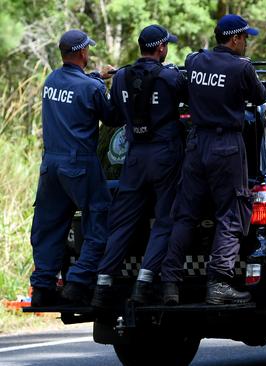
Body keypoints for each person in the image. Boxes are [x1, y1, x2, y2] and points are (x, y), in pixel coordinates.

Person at [161, 14, 266, 305]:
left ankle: (170, 282)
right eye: (245, 38)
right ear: (234, 39)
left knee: (184, 215)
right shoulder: (241, 67)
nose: (246, 43)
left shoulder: (195, 61)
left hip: (196, 143)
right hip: (226, 146)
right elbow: (260, 98)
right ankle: (219, 282)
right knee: (231, 214)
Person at [91, 25, 187, 308]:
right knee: (165, 219)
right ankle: (144, 282)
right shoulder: (170, 76)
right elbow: (193, 101)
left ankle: (102, 284)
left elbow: (112, 116)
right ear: (161, 49)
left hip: (134, 158)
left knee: (121, 223)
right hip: (164, 156)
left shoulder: (121, 78)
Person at [30, 30, 115, 306]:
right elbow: (112, 116)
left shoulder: (51, 80)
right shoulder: (91, 89)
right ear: (81, 53)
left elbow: (76, 86)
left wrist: (97, 76)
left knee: (48, 225)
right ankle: (78, 282)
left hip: (50, 166)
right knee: (98, 217)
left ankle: (43, 287)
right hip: (79, 163)